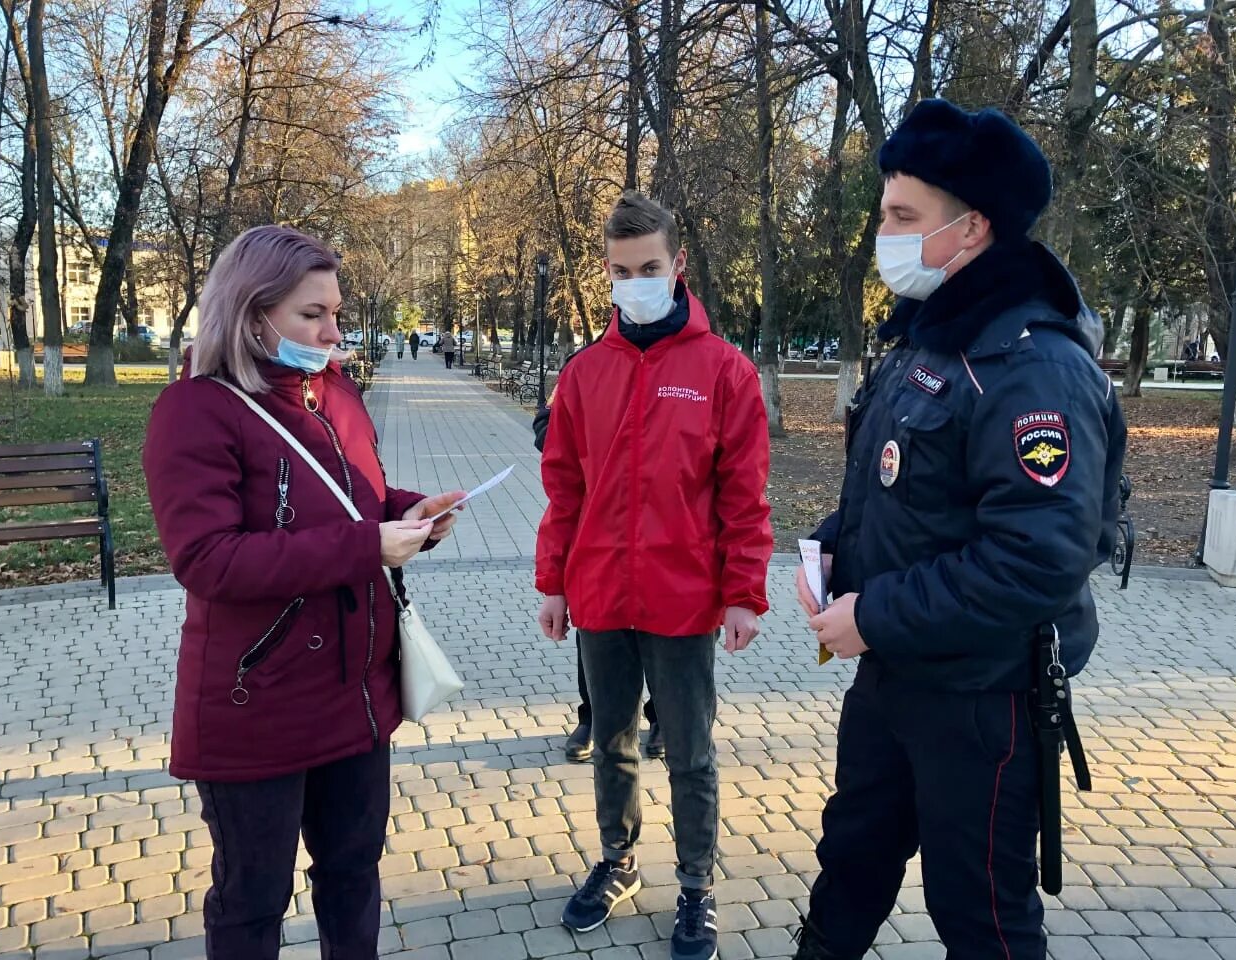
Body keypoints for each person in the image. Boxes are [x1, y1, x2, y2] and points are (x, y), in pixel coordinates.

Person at [790, 100, 1127, 960]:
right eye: (884, 214)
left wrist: (872, 614)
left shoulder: (1031, 365)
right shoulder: (930, 341)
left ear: (972, 227)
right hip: (893, 681)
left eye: (905, 218)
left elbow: (1036, 558)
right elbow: (902, 494)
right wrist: (832, 549)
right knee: (850, 864)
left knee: (979, 913)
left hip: (981, 701)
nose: (885, 235)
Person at [142, 225, 467, 959]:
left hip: (356, 693)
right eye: (311, 313)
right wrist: (366, 545)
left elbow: (358, 501)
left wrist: (408, 514)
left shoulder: (336, 392)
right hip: (257, 701)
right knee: (253, 900)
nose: (333, 329)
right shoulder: (195, 410)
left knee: (353, 874)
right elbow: (207, 560)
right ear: (253, 313)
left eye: (336, 312)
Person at [536, 191, 773, 960]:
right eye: (619, 269)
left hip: (683, 601)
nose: (633, 281)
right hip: (602, 596)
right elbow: (564, 487)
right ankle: (618, 861)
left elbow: (744, 493)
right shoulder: (584, 373)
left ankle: (698, 887)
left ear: (677, 267)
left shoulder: (723, 370)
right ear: (605, 271)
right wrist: (553, 582)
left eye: (648, 267)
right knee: (612, 743)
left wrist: (743, 592)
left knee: (692, 753)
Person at [534, 374, 663, 763]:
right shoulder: (586, 365)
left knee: (668, 634)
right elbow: (546, 423)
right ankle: (592, 718)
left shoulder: (692, 362)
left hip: (669, 536)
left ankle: (663, 719)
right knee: (596, 639)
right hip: (600, 536)